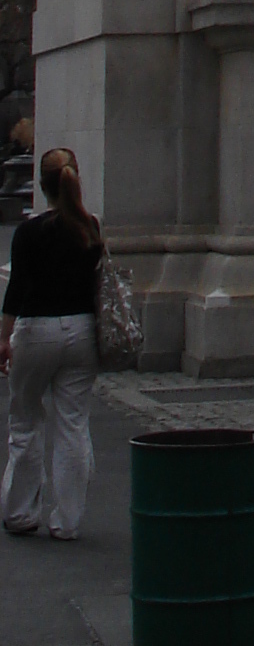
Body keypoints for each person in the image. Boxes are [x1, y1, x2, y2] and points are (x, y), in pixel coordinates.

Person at [2, 147, 103, 541]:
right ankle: (68, 520)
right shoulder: (91, 227)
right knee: (73, 424)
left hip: (36, 330)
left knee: (25, 420)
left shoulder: (29, 233)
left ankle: (21, 511)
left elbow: (17, 291)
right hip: (81, 332)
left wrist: (3, 337)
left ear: (42, 187)